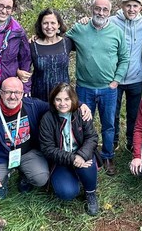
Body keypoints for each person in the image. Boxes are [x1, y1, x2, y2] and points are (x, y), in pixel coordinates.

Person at [66, 0, 129, 175]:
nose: (100, 12)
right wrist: (35, 39)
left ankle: (108, 156)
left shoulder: (117, 32)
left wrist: (116, 80)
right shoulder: (80, 28)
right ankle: (88, 155)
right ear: (91, 9)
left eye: (105, 9)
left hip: (108, 89)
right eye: (97, 8)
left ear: (110, 12)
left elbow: (124, 58)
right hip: (84, 87)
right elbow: (58, 38)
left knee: (109, 124)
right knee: (84, 124)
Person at [0, 77, 50, 200]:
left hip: (27, 153)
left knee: (41, 177)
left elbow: (57, 106)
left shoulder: (32, 105)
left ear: (22, 93)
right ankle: (2, 183)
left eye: (17, 92)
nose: (13, 96)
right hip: (1, 157)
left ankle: (25, 176)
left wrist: (79, 105)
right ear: (1, 93)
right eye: (8, 92)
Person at [39, 83, 100, 215]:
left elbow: (92, 137)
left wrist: (81, 155)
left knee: (87, 165)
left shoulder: (81, 113)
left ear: (73, 99)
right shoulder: (47, 119)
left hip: (83, 154)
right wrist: (73, 159)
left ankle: (90, 193)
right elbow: (47, 149)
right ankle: (74, 177)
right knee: (67, 193)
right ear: (53, 100)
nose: (62, 103)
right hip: (61, 160)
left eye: (67, 99)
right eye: (58, 99)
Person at [110, 0, 142, 157]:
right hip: (115, 78)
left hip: (136, 77)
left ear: (140, 8)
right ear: (122, 6)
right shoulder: (112, 21)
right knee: (113, 112)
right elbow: (96, 25)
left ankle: (130, 142)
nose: (131, 9)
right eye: (128, 5)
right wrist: (85, 20)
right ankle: (112, 142)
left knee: (134, 114)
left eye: (135, 6)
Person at [30, 8, 74, 102]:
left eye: (53, 23)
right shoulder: (32, 45)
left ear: (58, 25)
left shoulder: (67, 42)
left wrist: (86, 21)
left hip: (63, 100)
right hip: (39, 100)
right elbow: (22, 67)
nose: (49, 26)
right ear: (40, 25)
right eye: (45, 23)